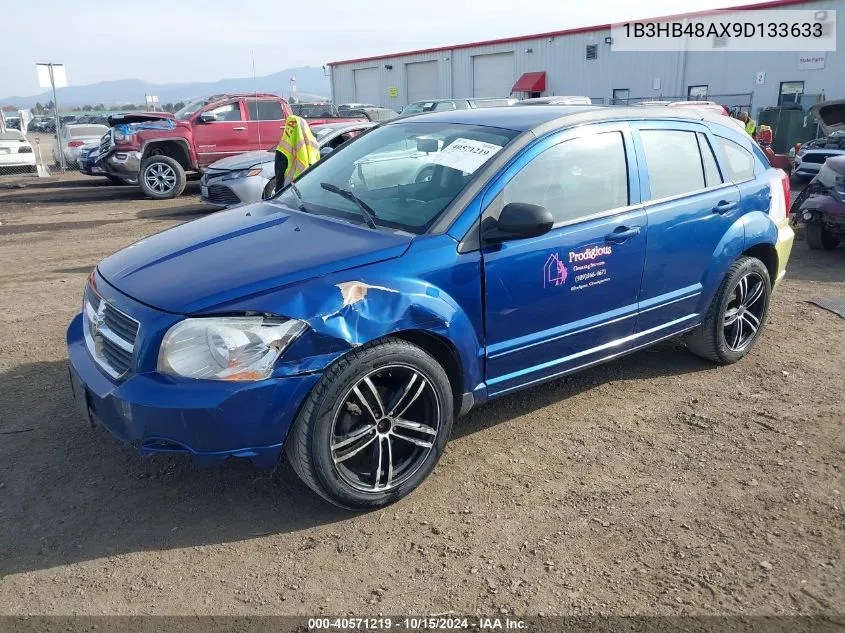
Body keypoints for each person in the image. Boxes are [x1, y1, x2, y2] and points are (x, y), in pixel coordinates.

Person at [274, 114, 320, 194]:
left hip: (289, 190)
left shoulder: (282, 148)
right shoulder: (312, 142)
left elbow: (279, 176)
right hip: (307, 187)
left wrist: (278, 194)